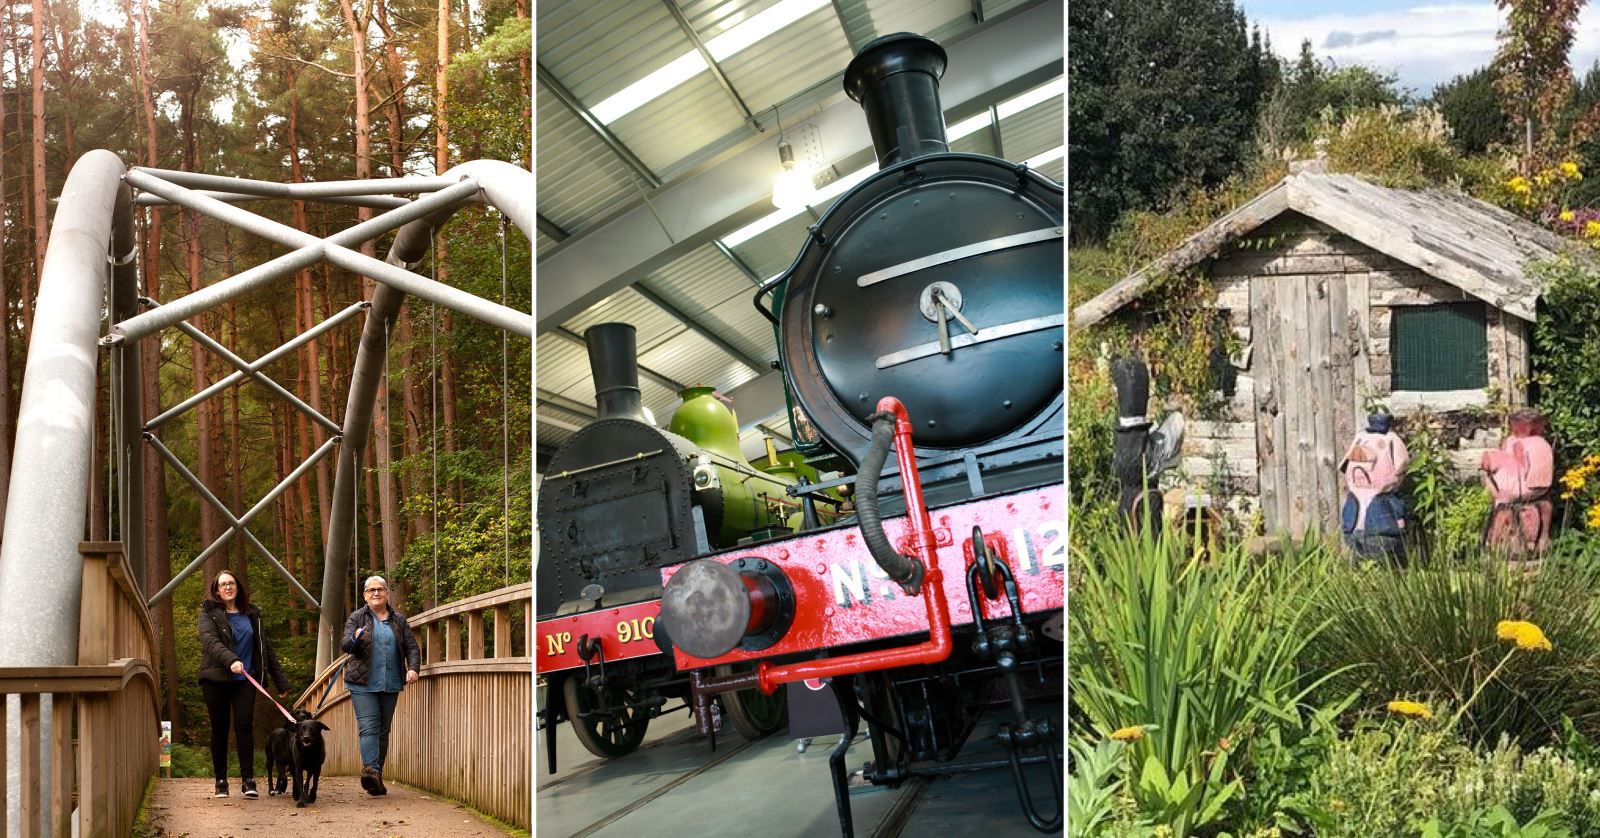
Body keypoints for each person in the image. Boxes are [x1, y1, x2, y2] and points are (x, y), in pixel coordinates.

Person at [198, 569, 289, 799]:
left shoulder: (252, 614)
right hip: (215, 679)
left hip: (245, 680)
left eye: (232, 583)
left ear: (238, 588)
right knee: (219, 729)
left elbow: (265, 649)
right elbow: (210, 642)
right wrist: (232, 661)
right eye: (223, 584)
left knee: (244, 727)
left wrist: (280, 680)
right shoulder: (208, 613)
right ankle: (221, 781)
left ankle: (248, 780)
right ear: (216, 590)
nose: (228, 587)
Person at [341, 575, 422, 796]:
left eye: (380, 589)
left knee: (383, 732)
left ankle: (377, 775)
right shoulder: (357, 618)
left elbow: (412, 648)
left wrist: (414, 668)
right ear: (365, 596)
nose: (376, 593)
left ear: (387, 593)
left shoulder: (399, 620)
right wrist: (355, 639)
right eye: (371, 590)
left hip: (391, 681)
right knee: (369, 728)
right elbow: (345, 645)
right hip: (362, 684)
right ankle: (370, 771)